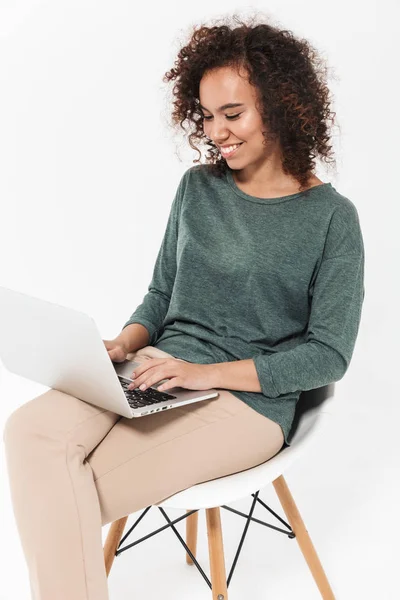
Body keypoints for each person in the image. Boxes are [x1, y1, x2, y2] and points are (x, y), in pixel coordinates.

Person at [3, 13, 365, 600]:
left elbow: (328, 355)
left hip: (249, 406)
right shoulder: (199, 187)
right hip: (157, 369)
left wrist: (205, 375)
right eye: (207, 115)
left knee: (71, 488)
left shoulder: (331, 219)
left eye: (233, 114)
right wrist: (124, 342)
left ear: (281, 106)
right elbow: (162, 294)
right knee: (29, 433)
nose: (217, 132)